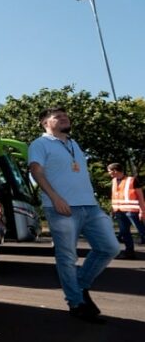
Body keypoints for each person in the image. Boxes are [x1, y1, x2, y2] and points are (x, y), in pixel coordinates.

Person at [28, 107, 120, 323]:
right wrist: (55, 198)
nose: (64, 118)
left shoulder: (74, 144)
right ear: (45, 123)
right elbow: (36, 171)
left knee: (110, 247)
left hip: (91, 207)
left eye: (66, 116)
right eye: (57, 117)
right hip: (62, 208)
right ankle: (77, 302)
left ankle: (79, 285)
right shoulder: (40, 144)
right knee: (68, 256)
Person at [107, 162, 145, 259]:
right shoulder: (114, 181)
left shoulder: (132, 180)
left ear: (115, 171)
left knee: (142, 231)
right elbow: (115, 196)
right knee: (124, 233)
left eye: (110, 171)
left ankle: (129, 252)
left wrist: (142, 211)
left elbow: (141, 197)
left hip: (132, 211)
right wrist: (113, 209)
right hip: (119, 211)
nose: (109, 173)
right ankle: (129, 253)